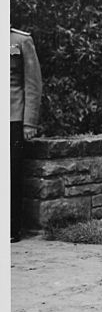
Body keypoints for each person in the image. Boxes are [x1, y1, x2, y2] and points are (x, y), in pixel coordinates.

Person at [10, 27, 43, 243]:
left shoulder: (21, 40)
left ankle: (11, 228)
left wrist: (29, 122)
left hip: (12, 117)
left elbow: (33, 83)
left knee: (11, 174)